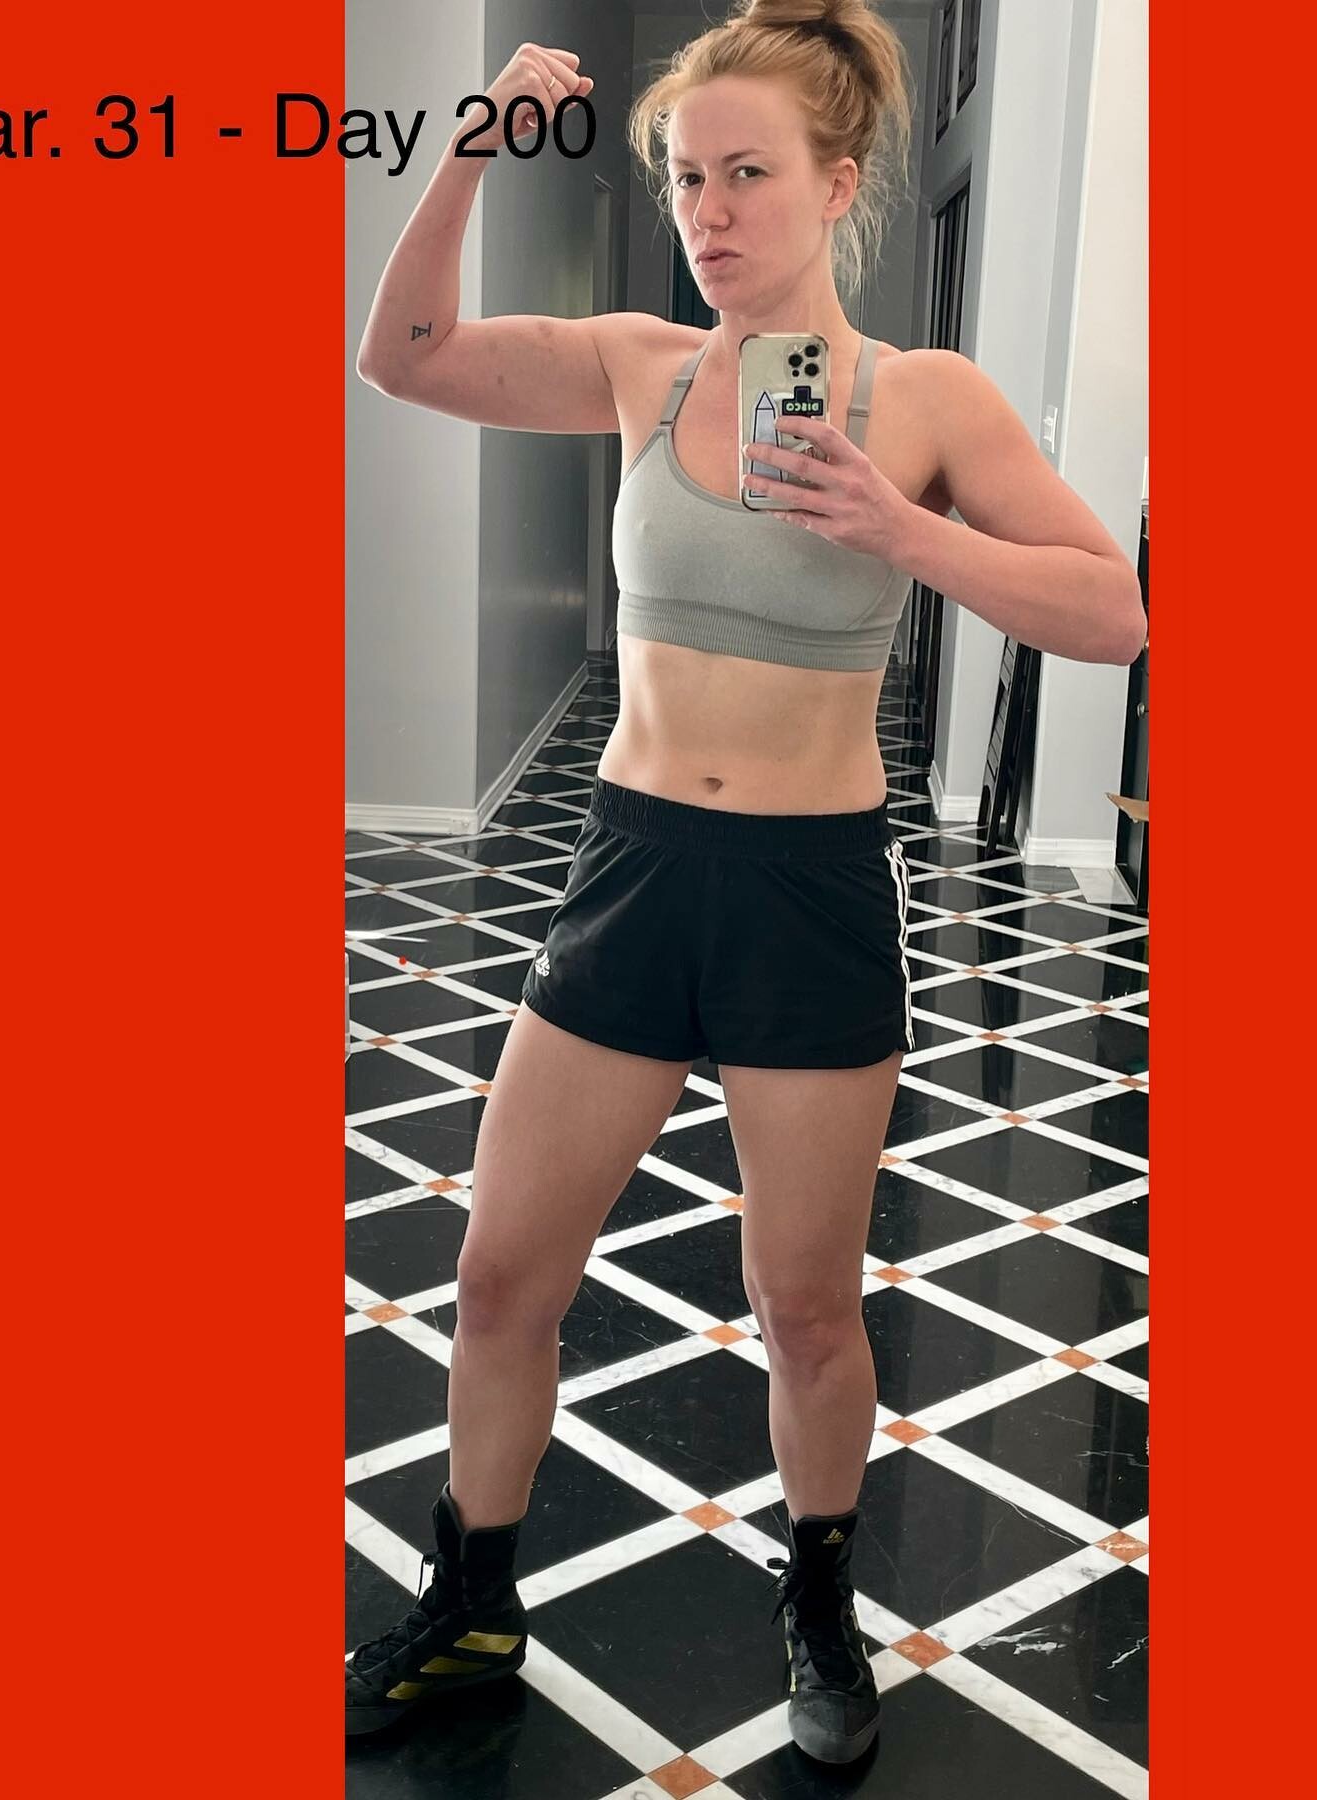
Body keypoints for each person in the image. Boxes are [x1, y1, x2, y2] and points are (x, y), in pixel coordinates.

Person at [348, 0, 1146, 1765]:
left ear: (838, 185)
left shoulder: (924, 400)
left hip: (810, 892)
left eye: (747, 176)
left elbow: (1115, 610)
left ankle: (821, 1604)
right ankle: (469, 1607)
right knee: (501, 1277)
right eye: (685, 179)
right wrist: (467, 152)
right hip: (632, 871)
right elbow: (402, 357)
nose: (708, 213)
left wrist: (901, 527)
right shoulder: (641, 363)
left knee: (804, 1306)